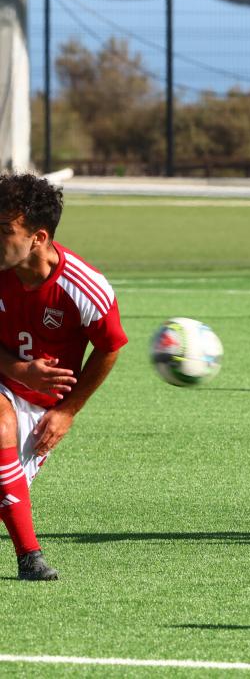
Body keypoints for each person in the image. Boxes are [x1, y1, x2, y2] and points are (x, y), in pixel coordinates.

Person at [0, 174, 128, 580]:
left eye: (4, 231)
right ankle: (29, 558)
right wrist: (19, 370)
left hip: (40, 411)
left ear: (37, 238)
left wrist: (68, 411)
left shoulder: (86, 288)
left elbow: (110, 347)